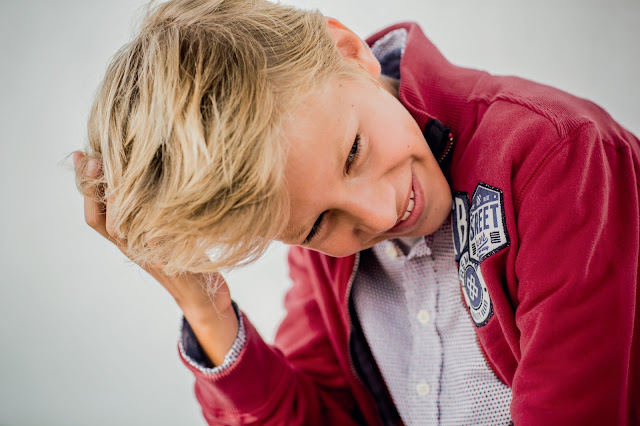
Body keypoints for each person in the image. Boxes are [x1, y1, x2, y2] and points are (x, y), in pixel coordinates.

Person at [73, 0, 640, 424]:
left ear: (349, 52)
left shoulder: (557, 158)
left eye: (353, 153)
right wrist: (204, 306)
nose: (379, 212)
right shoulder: (320, 254)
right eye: (318, 225)